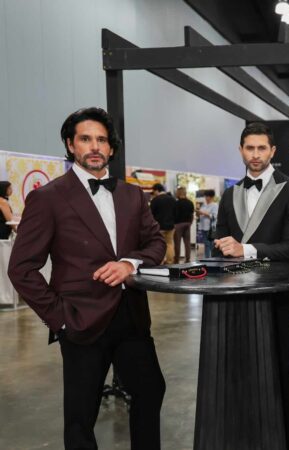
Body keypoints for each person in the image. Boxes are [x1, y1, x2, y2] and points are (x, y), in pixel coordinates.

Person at [8, 107, 166, 450]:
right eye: (85, 139)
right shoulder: (47, 198)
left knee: (151, 391)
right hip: (80, 321)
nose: (94, 147)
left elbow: (156, 243)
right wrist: (60, 318)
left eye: (102, 140)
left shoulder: (132, 195)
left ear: (111, 147)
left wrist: (129, 264)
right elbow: (21, 268)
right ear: (70, 145)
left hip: (131, 316)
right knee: (81, 417)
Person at [212, 122, 289, 449]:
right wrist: (222, 247)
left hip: (276, 295)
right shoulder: (230, 195)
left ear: (273, 151)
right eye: (249, 148)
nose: (255, 155)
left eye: (261, 148)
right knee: (238, 372)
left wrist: (246, 249)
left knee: (282, 371)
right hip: (234, 297)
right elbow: (221, 242)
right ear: (241, 150)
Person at [150, 183, 176, 264]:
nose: (154, 193)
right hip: (170, 226)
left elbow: (150, 214)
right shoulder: (172, 199)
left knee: (159, 245)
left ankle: (160, 262)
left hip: (159, 226)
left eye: (154, 191)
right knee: (169, 244)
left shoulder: (155, 200)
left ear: (157, 190)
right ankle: (170, 261)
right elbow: (175, 212)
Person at [173, 186, 194, 263]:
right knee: (187, 243)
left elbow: (174, 215)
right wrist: (190, 222)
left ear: (178, 193)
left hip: (178, 224)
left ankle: (176, 260)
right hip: (187, 224)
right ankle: (188, 259)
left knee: (177, 243)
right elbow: (192, 214)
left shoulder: (176, 203)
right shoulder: (190, 203)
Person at [196, 189, 218, 258]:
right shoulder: (204, 205)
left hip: (210, 228)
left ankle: (212, 258)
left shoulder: (215, 205)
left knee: (210, 244)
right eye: (205, 196)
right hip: (203, 226)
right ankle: (207, 258)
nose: (205, 197)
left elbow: (214, 216)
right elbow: (200, 213)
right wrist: (198, 213)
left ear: (211, 197)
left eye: (207, 196)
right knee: (206, 244)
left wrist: (204, 213)